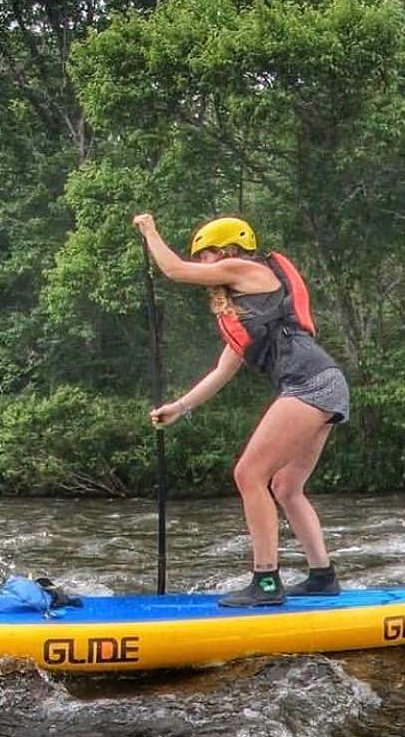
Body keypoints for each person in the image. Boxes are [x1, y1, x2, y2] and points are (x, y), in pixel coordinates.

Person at [132, 213, 350, 607]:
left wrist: (149, 229)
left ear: (227, 250)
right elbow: (221, 371)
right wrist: (179, 408)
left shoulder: (246, 268)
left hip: (310, 382)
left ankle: (266, 582)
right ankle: (323, 577)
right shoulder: (250, 314)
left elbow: (173, 269)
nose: (202, 265)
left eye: (206, 255)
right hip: (323, 381)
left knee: (249, 474)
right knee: (285, 487)